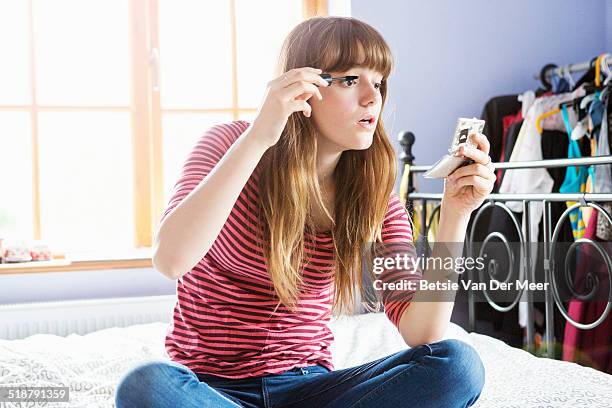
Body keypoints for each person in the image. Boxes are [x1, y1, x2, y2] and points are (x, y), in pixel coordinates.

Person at [115, 15, 495, 408]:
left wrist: (455, 214)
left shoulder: (374, 192)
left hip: (310, 387)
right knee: (145, 386)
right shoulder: (229, 143)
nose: (371, 98)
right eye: (350, 79)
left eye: (378, 82)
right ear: (301, 87)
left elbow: (424, 333)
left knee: (457, 364)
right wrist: (261, 135)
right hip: (208, 387)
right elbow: (171, 259)